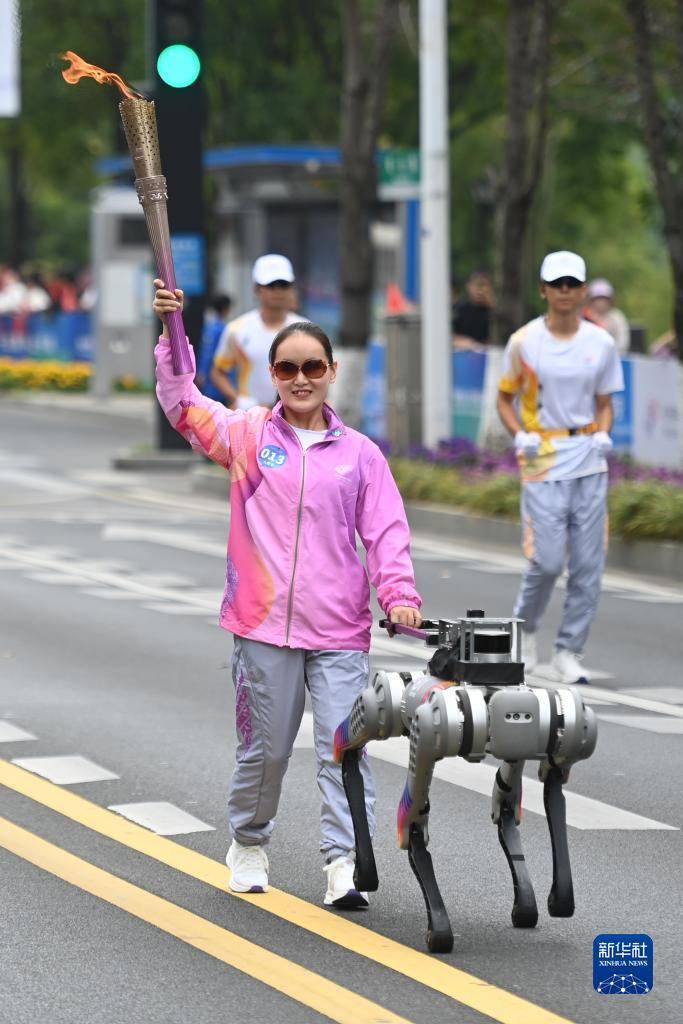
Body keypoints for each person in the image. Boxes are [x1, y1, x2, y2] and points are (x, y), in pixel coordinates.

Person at [153, 278, 422, 906]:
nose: (301, 378)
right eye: (287, 367)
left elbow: (385, 532)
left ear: (330, 374)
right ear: (273, 374)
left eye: (313, 367)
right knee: (266, 751)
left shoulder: (359, 455)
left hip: (338, 630)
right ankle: (248, 842)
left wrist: (399, 594)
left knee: (343, 750)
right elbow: (182, 403)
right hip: (263, 624)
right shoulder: (246, 437)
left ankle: (343, 864)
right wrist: (173, 336)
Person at [496, 251, 624, 685]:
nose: (565, 291)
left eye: (573, 284)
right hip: (543, 456)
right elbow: (504, 398)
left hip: (588, 455)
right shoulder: (524, 342)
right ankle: (526, 629)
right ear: (544, 290)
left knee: (588, 564)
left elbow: (605, 403)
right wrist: (520, 433)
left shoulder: (601, 343)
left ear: (584, 290)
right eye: (558, 284)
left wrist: (604, 432)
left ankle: (569, 649)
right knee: (546, 561)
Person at [209, 254, 303, 409]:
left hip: (294, 414)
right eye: (271, 285)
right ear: (257, 288)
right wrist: (236, 398)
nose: (278, 291)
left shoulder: (306, 330)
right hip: (250, 416)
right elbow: (217, 372)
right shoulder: (237, 330)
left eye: (283, 285)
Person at [196, 294, 233, 402]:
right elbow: (209, 353)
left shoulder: (210, 326)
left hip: (210, 377)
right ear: (226, 309)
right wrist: (202, 373)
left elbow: (205, 352)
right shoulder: (223, 329)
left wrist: (201, 372)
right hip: (218, 376)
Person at [585, 278, 630, 354]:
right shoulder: (584, 316)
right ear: (591, 300)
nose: (601, 302)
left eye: (604, 298)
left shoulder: (617, 317)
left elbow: (622, 343)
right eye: (598, 298)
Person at [452, 270, 494, 349]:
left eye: (484, 285)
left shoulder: (495, 314)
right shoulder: (459, 310)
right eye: (476, 285)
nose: (480, 290)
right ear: (468, 286)